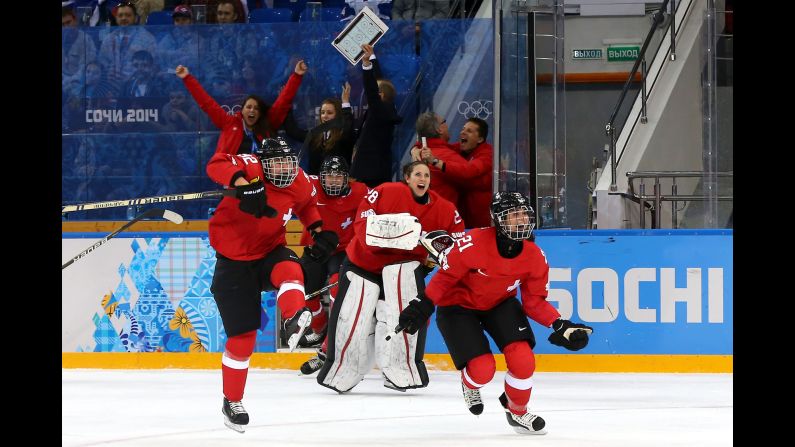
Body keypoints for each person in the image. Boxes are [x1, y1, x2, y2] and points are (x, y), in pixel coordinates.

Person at [396, 191, 594, 435]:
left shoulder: (535, 256)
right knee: (482, 370)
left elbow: (533, 302)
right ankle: (470, 384)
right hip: (458, 306)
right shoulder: (472, 244)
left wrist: (560, 324)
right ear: (498, 219)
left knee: (523, 361)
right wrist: (422, 305)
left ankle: (517, 411)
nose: (521, 220)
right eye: (514, 215)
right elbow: (444, 280)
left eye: (524, 214)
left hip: (500, 304)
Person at [205, 137, 339, 433]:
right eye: (277, 162)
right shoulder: (250, 166)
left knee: (291, 268)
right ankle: (233, 401)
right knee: (243, 340)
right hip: (233, 261)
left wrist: (318, 230)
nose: (285, 167)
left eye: (288, 161)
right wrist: (241, 182)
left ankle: (293, 317)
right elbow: (216, 163)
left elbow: (306, 206)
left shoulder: (300, 179)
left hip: (269, 250)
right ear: (264, 162)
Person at [316, 161, 465, 393]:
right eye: (417, 174)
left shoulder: (445, 209)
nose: (422, 178)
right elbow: (363, 225)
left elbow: (453, 245)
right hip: (363, 264)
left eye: (426, 174)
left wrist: (430, 262)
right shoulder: (385, 192)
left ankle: (399, 370)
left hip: (402, 269)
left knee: (403, 318)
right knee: (353, 317)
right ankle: (342, 371)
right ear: (407, 178)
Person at [296, 156, 370, 375]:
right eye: (330, 176)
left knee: (339, 288)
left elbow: (378, 207)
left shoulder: (361, 192)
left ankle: (329, 346)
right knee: (303, 288)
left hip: (344, 250)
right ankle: (319, 326)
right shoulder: (310, 186)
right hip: (316, 247)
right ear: (322, 177)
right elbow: (290, 188)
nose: (334, 181)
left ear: (347, 179)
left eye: (339, 176)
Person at [175, 59, 306, 155]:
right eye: (248, 107)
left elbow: (283, 101)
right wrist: (187, 78)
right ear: (241, 110)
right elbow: (206, 102)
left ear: (260, 113)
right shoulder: (228, 122)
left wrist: (297, 76)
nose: (252, 110)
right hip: (235, 182)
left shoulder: (268, 124)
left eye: (256, 108)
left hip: (261, 182)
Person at [412, 117, 494, 228]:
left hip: (481, 219)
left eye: (469, 131)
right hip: (462, 217)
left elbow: (469, 171)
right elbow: (438, 144)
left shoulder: (487, 154)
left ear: (480, 139)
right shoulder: (460, 149)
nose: (463, 132)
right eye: (463, 129)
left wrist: (436, 161)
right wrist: (415, 148)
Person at [349, 44, 402, 188]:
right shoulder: (385, 108)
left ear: (381, 95)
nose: (368, 95)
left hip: (370, 175)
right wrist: (372, 57)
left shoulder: (381, 109)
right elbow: (379, 82)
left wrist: (366, 65)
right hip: (374, 170)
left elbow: (373, 90)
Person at [302, 82, 356, 175]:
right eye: (322, 112)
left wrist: (345, 103)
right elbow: (292, 131)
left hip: (336, 185)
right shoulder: (314, 135)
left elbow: (348, 128)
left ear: (338, 115)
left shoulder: (343, 135)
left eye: (329, 113)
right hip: (316, 185)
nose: (325, 116)